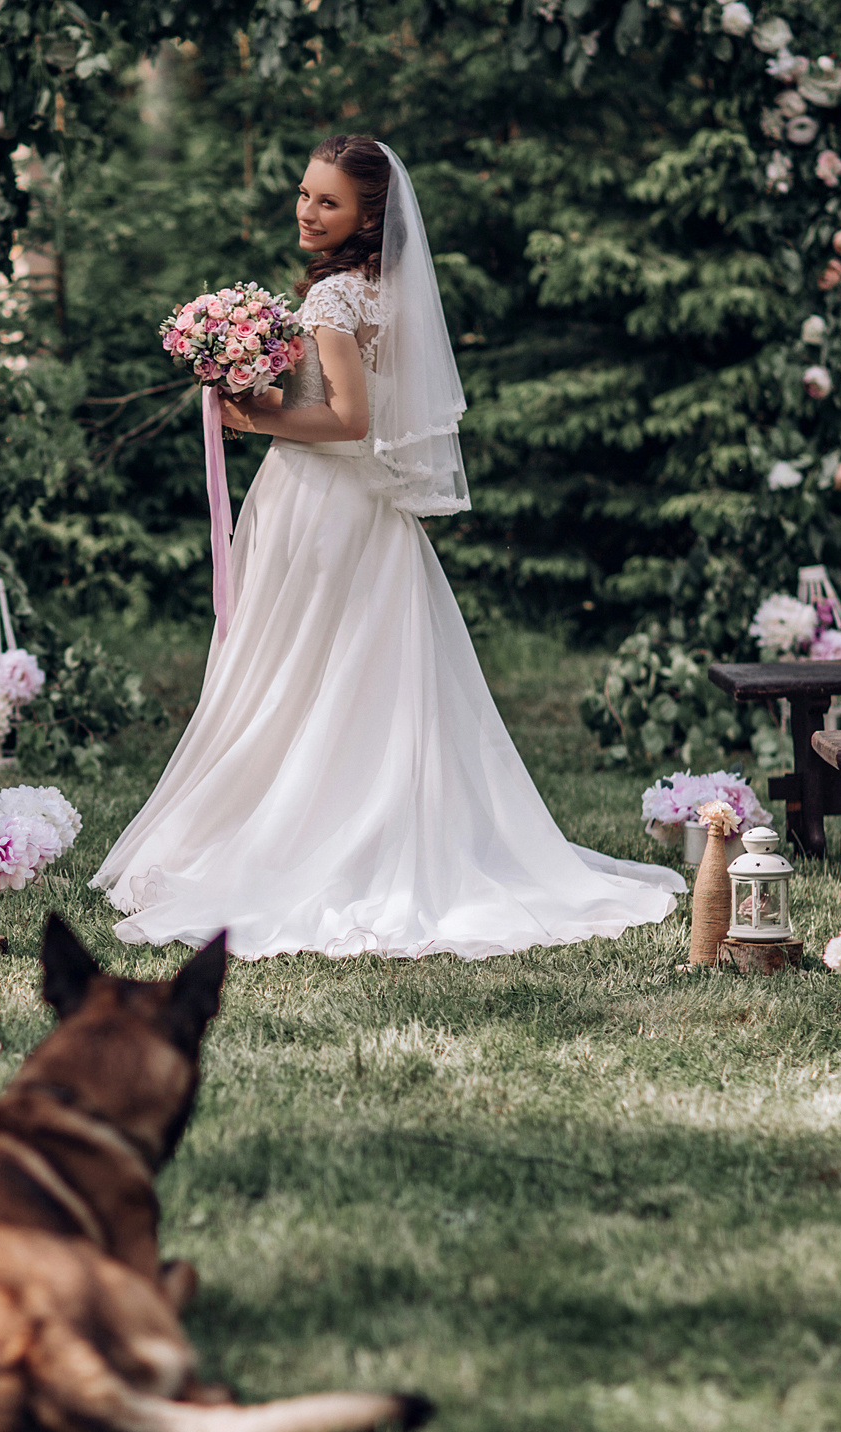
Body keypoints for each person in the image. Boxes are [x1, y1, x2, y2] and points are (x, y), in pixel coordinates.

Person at [93, 137, 686, 960]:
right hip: (365, 512)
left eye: (329, 202)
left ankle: (293, 832)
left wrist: (254, 415)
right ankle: (349, 810)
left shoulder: (334, 297)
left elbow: (348, 421)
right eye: (305, 193)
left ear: (369, 215)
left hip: (319, 504)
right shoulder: (391, 292)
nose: (308, 211)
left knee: (296, 671)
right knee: (349, 673)